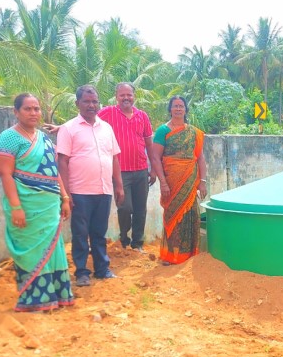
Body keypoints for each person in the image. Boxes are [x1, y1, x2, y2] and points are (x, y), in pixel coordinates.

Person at [0, 93, 74, 311]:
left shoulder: (44, 138)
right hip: (26, 207)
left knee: (53, 249)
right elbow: (5, 174)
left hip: (49, 207)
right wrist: (16, 207)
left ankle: (56, 296)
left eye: (36, 109)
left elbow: (53, 171)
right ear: (16, 112)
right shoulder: (9, 138)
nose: (33, 113)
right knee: (31, 251)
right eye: (28, 109)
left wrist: (64, 198)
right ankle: (34, 300)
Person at [57, 85, 124, 287]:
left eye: (94, 101)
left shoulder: (107, 128)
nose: (91, 105)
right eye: (86, 101)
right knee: (80, 234)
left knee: (99, 232)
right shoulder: (68, 128)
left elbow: (114, 159)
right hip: (79, 191)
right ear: (77, 103)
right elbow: (62, 161)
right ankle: (82, 272)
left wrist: (119, 186)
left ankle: (102, 269)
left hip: (104, 190)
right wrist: (66, 194)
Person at [98, 83, 156, 252]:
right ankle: (124, 238)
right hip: (119, 172)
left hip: (141, 169)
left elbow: (149, 144)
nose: (126, 98)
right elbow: (88, 120)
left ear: (134, 96)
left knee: (140, 209)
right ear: (116, 97)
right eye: (122, 95)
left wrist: (152, 168)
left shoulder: (142, 116)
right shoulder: (108, 113)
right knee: (124, 207)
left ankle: (137, 243)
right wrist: (62, 128)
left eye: (129, 95)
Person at [150, 95, 207, 265]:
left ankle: (188, 253)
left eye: (181, 106)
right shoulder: (163, 131)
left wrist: (202, 181)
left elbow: (200, 158)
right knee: (172, 215)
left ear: (185, 109)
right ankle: (170, 255)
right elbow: (155, 158)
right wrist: (163, 182)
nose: (178, 109)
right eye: (175, 106)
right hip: (171, 181)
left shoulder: (193, 133)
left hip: (190, 180)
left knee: (191, 214)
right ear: (170, 109)